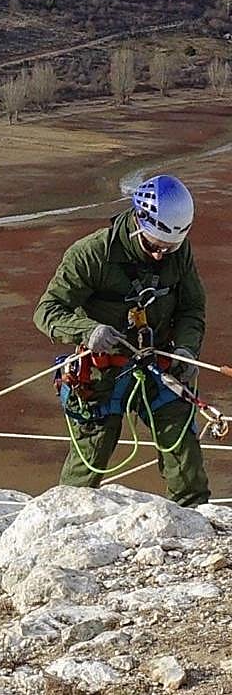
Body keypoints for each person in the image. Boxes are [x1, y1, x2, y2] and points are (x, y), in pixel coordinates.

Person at [34, 174, 209, 506]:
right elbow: (47, 311)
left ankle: (193, 523)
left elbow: (191, 308)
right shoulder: (91, 255)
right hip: (101, 375)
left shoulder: (178, 253)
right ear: (137, 222)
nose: (161, 255)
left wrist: (186, 350)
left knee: (185, 459)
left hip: (161, 365)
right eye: (153, 246)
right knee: (85, 472)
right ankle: (60, 526)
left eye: (169, 248)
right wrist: (88, 331)